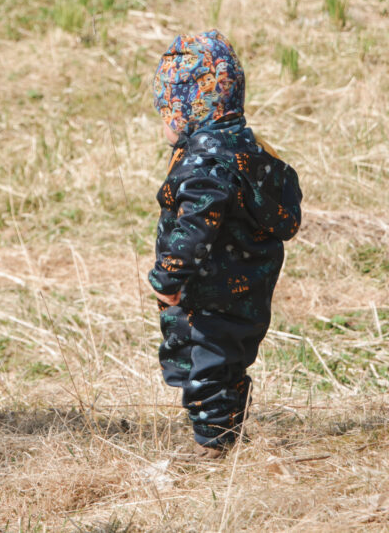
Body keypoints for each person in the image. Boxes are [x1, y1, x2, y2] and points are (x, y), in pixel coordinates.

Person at [148, 30, 302, 458]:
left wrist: (168, 276)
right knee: (227, 361)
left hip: (210, 290)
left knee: (204, 367)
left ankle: (212, 446)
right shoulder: (249, 150)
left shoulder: (205, 166)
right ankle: (227, 433)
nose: (163, 122)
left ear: (188, 109)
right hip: (250, 285)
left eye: (166, 111)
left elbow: (195, 227)